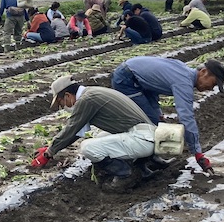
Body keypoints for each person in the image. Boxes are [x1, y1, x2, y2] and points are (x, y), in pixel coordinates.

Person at [30, 75, 167, 184]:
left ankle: (125, 175)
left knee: (88, 147)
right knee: (101, 137)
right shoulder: (93, 93)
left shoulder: (86, 100)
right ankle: (142, 167)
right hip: (148, 136)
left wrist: (48, 153)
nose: (62, 106)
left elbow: (71, 128)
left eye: (60, 102)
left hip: (143, 139)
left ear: (67, 95)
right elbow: (77, 132)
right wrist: (51, 148)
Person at [111, 56, 224, 174]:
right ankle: (136, 166)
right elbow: (186, 118)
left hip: (139, 80)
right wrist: (197, 153)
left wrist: (157, 111)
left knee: (157, 121)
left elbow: (154, 82)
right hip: (126, 80)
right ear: (203, 72)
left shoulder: (184, 71)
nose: (211, 88)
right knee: (147, 124)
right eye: (213, 83)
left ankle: (152, 158)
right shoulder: (184, 82)